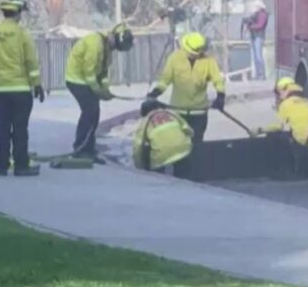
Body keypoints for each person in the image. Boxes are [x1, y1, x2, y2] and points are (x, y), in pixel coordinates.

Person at [147, 32, 225, 178]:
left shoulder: (208, 61)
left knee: (195, 148)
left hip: (199, 113)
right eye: (192, 53)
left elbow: (217, 80)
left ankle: (194, 178)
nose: (195, 55)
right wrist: (155, 93)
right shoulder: (175, 58)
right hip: (178, 113)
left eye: (198, 53)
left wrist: (221, 95)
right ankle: (180, 177)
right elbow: (165, 80)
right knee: (179, 148)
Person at [0, 0, 45, 177]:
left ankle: (1, 166)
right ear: (17, 13)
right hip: (20, 90)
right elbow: (31, 63)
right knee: (20, 129)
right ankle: (20, 166)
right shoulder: (22, 34)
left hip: (0, 90)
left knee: (2, 127)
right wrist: (37, 86)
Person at [65, 24, 134, 162]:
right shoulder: (94, 44)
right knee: (89, 111)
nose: (116, 50)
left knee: (95, 113)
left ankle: (89, 147)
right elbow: (89, 72)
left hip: (87, 80)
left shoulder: (107, 48)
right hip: (77, 80)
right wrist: (98, 91)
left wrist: (105, 90)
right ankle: (80, 148)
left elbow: (102, 73)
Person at [256, 77, 308, 178]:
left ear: (286, 89)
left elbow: (277, 126)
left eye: (279, 93)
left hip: (302, 150)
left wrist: (259, 130)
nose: (278, 97)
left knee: (273, 136)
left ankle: (280, 170)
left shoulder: (286, 105)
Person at [132, 99, 193, 173]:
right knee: (182, 170)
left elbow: (138, 146)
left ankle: (157, 177)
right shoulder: (171, 114)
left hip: (161, 155)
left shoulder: (145, 122)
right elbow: (189, 131)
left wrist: (139, 166)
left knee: (157, 175)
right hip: (183, 148)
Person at [242, 0, 268, 80]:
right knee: (254, 56)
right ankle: (257, 74)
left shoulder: (262, 15)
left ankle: (262, 74)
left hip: (259, 37)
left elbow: (260, 25)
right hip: (254, 36)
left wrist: (251, 27)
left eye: (255, 6)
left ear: (259, 7)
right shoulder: (255, 15)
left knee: (258, 56)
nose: (254, 8)